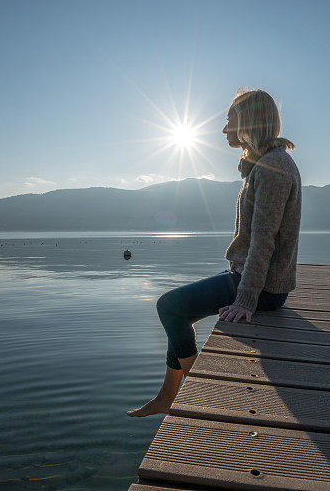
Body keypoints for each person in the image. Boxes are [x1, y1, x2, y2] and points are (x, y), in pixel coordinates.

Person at [127, 88, 302, 417]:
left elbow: (265, 240)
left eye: (229, 120)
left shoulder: (274, 168)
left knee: (169, 307)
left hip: (262, 287)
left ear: (248, 120)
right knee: (179, 313)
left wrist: (246, 300)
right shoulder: (267, 164)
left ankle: (198, 390)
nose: (224, 129)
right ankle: (167, 395)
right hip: (255, 278)